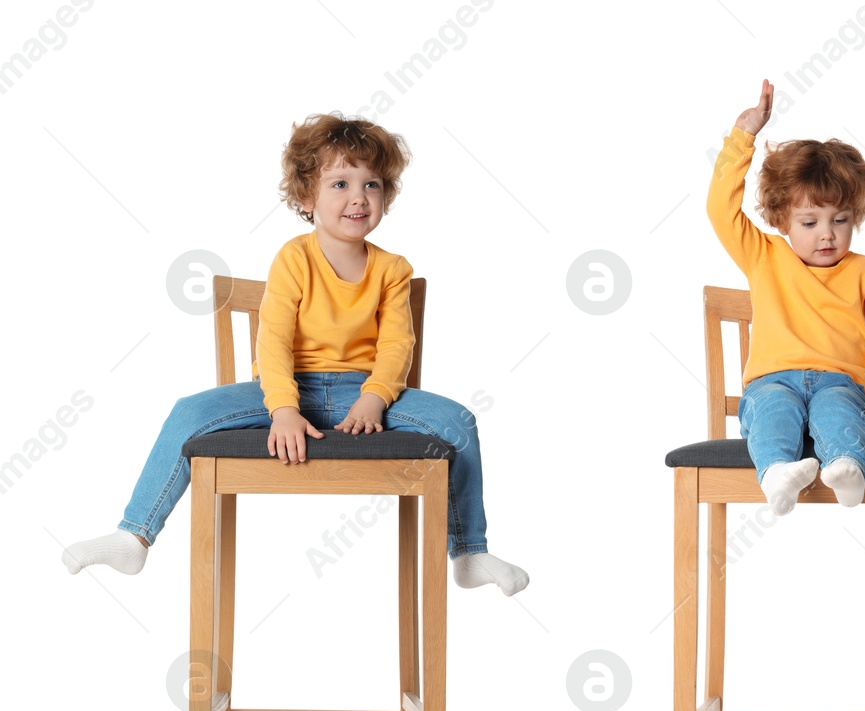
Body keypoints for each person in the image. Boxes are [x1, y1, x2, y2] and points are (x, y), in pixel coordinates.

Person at [63, 113, 528, 595]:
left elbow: (396, 345)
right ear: (307, 197)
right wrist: (282, 408)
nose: (358, 197)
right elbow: (274, 339)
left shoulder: (393, 269)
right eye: (340, 183)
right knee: (188, 412)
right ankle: (133, 534)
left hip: (365, 394)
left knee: (460, 422)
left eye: (372, 184)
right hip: (289, 388)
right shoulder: (293, 258)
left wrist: (375, 397)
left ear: (385, 195)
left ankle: (470, 551)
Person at [708, 79, 865, 516]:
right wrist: (743, 136)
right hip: (772, 381)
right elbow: (719, 210)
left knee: (840, 410)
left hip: (842, 382)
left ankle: (847, 469)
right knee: (771, 411)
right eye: (809, 222)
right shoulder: (763, 255)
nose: (826, 233)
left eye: (840, 219)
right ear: (782, 221)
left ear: (854, 217)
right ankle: (778, 475)